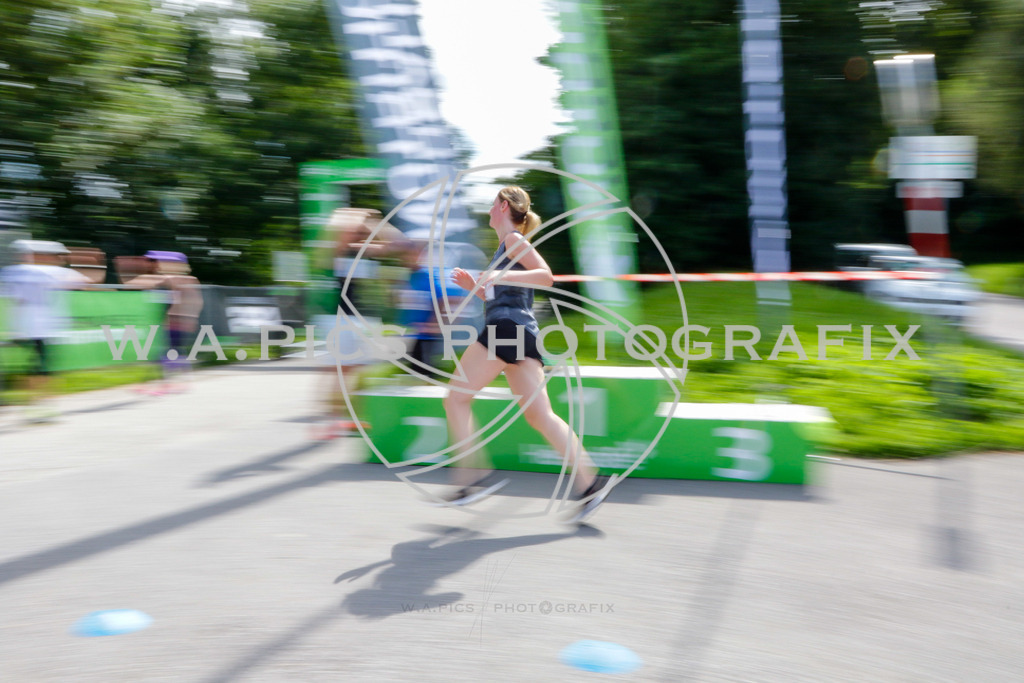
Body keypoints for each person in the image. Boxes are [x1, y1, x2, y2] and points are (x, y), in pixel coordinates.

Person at [440, 186, 613, 524]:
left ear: (504, 206)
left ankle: (470, 478)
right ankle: (591, 483)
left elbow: (545, 277)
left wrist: (494, 276)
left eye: (492, 205)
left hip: (506, 330)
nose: (489, 211)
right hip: (521, 332)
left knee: (455, 399)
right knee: (540, 416)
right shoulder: (505, 247)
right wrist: (474, 287)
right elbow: (507, 294)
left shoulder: (514, 241)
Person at [311, 208, 401, 440]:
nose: (357, 232)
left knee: (358, 370)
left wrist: (374, 222)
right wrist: (356, 215)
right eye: (355, 229)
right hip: (339, 318)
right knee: (337, 371)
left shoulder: (364, 251)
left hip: (362, 318)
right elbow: (338, 229)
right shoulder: (335, 250)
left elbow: (398, 243)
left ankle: (349, 418)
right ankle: (329, 422)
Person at [0, 239, 90, 421]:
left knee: (31, 367)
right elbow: (84, 281)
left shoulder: (12, 272)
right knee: (43, 368)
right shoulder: (52, 271)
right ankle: (40, 405)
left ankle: (33, 403)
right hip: (44, 328)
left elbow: (12, 296)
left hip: (23, 328)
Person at [124, 251, 203, 394]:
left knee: (167, 354)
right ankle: (183, 381)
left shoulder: (173, 278)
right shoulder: (191, 280)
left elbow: (146, 283)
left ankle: (166, 384)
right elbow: (198, 302)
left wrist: (129, 277)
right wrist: (193, 318)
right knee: (175, 352)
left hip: (176, 322)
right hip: (180, 321)